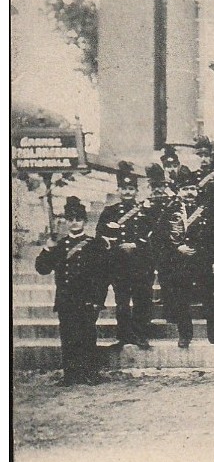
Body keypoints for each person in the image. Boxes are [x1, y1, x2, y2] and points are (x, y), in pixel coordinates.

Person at [35, 197, 108, 386]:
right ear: (66, 221)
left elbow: (102, 277)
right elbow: (42, 269)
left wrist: (98, 301)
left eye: (78, 218)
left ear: (84, 221)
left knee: (87, 336)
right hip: (66, 300)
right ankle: (70, 374)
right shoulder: (59, 246)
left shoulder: (94, 245)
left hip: (86, 299)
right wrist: (47, 248)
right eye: (70, 218)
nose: (74, 221)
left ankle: (90, 373)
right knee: (68, 337)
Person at [153, 167, 214, 348]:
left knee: (210, 299)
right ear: (179, 191)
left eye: (192, 189)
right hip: (179, 262)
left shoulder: (207, 210)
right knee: (181, 299)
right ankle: (185, 335)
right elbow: (159, 237)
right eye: (185, 189)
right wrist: (178, 248)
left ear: (197, 191)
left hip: (203, 260)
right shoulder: (169, 211)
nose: (189, 193)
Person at [96, 162, 155, 349]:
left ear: (136, 191)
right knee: (122, 302)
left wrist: (136, 245)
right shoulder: (110, 212)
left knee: (141, 301)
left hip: (141, 263)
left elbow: (153, 235)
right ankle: (124, 336)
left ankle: (140, 335)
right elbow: (101, 237)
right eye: (124, 189)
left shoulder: (146, 212)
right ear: (119, 190)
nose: (128, 192)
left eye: (131, 189)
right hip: (119, 264)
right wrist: (118, 247)